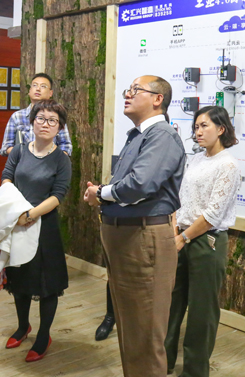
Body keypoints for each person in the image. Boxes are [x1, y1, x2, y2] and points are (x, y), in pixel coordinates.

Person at [83, 75, 185, 377]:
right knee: (131, 327)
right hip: (127, 238)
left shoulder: (162, 135)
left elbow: (140, 185)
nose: (127, 95)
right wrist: (105, 194)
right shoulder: (138, 135)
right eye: (127, 90)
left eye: (135, 90)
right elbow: (127, 185)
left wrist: (100, 193)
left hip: (143, 238)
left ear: (157, 99)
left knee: (145, 332)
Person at [164, 106, 241, 377]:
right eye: (196, 127)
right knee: (171, 304)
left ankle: (195, 371)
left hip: (206, 241)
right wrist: (175, 229)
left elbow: (212, 214)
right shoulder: (196, 159)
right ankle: (162, 362)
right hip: (181, 237)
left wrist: (183, 237)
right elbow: (180, 199)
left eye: (204, 126)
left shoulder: (228, 165)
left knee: (201, 311)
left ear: (221, 129)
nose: (198, 131)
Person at [1, 99, 72, 362]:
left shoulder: (61, 159)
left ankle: (44, 336)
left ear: (59, 128)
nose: (45, 124)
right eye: (41, 118)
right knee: (19, 279)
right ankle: (23, 327)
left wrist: (31, 214)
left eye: (52, 120)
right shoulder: (19, 151)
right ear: (32, 122)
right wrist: (16, 210)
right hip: (17, 221)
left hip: (45, 227)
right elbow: (7, 177)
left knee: (46, 284)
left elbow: (58, 195)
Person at [0, 73, 73, 157]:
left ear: (50, 93)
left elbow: (66, 146)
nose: (38, 89)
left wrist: (53, 159)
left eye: (43, 86)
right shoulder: (17, 117)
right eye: (34, 85)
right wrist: (24, 155)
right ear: (29, 91)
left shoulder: (56, 116)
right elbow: (6, 146)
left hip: (50, 163)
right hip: (23, 163)